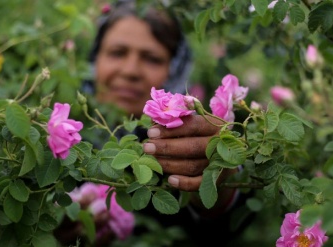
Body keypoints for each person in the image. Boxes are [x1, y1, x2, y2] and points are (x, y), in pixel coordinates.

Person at [54, 1, 253, 246]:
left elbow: (221, 227)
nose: (130, 70)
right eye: (117, 52)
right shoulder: (61, 135)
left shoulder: (190, 140)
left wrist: (218, 177)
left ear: (175, 68)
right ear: (96, 58)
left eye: (152, 58)